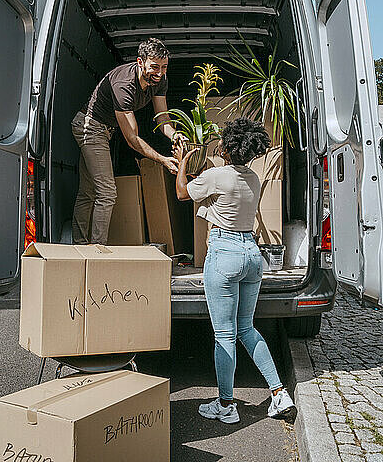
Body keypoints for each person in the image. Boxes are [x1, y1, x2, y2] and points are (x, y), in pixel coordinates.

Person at [174, 118, 296, 424]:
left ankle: (226, 406)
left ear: (228, 146)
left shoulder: (216, 176)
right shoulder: (253, 178)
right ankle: (279, 393)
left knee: (224, 335)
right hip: (252, 255)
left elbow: (181, 193)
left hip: (225, 254)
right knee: (246, 328)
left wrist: (181, 163)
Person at [71, 37, 183, 245]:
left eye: (164, 67)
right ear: (140, 62)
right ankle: (96, 249)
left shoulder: (160, 79)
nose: (160, 72)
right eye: (154, 67)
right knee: (106, 192)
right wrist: (162, 159)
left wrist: (174, 134)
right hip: (90, 127)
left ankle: (79, 244)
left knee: (88, 191)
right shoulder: (124, 85)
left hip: (105, 130)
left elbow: (162, 117)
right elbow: (132, 139)